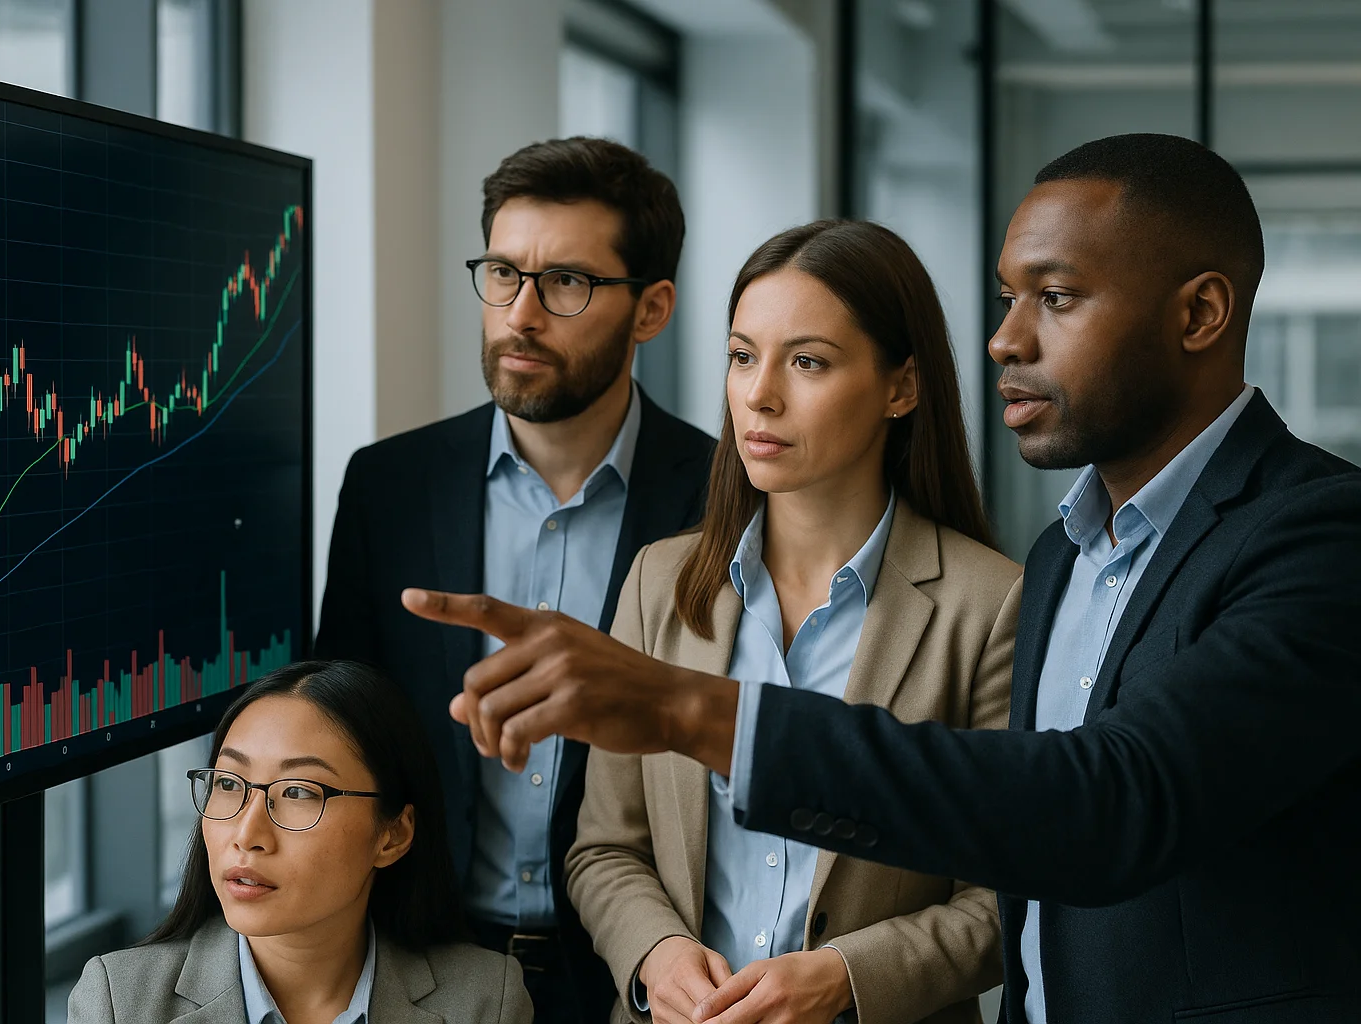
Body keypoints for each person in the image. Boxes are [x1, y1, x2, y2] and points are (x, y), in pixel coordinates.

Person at [402, 132, 1361, 1023]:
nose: (1007, 341)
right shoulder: (1070, 552)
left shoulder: (1317, 532)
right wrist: (660, 958)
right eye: (1006, 301)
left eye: (1056, 300)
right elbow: (1025, 864)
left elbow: (1105, 805)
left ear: (1199, 312)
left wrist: (692, 715)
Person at [565, 220, 1017, 1024]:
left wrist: (846, 976)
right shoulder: (658, 582)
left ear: (901, 387)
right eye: (743, 356)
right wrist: (656, 956)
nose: (759, 393)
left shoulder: (987, 605)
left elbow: (1006, 895)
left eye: (807, 361)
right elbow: (605, 848)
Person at [313, 137, 714, 1023]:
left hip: (644, 975)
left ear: (651, 309)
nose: (520, 314)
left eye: (566, 282)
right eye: (502, 273)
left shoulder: (727, 502)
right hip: (424, 965)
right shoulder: (390, 484)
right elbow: (339, 725)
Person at [67, 661, 532, 1024]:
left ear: (393, 835)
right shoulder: (121, 1003)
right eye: (229, 783)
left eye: (297, 793)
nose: (247, 835)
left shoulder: (485, 1000)